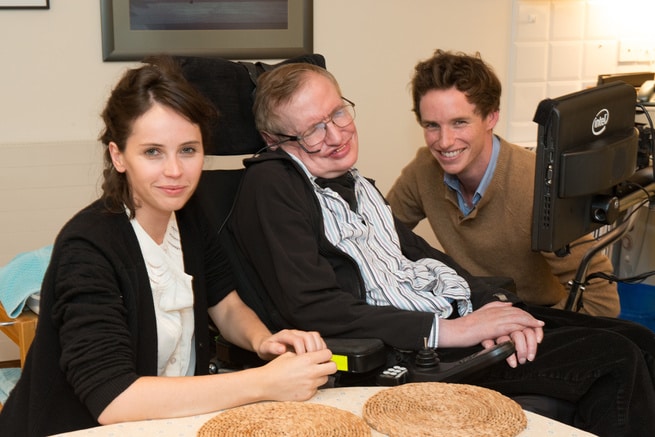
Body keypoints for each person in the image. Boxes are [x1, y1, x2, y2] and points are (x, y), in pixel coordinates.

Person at [228, 61, 655, 436]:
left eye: (338, 112)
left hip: (453, 316)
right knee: (616, 360)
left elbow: (417, 253)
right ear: (274, 139)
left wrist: (494, 306)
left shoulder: (355, 184)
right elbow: (312, 306)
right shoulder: (273, 185)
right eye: (313, 130)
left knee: (640, 339)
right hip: (413, 348)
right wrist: (452, 330)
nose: (337, 134)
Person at [0, 56, 336, 437]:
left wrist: (264, 341)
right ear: (118, 155)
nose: (175, 171)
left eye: (188, 150)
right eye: (153, 152)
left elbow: (225, 304)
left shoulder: (189, 217)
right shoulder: (88, 246)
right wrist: (263, 383)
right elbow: (114, 399)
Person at [386, 49, 619, 317]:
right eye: (432, 126)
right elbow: (378, 239)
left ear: (491, 117)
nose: (445, 141)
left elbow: (600, 289)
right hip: (474, 313)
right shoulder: (423, 170)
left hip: (538, 316)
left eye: (459, 122)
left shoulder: (536, 185)